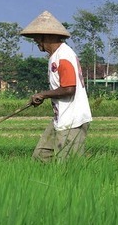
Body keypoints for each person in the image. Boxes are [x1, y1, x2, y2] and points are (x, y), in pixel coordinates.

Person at [20, 10, 92, 162]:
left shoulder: (64, 56)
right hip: (61, 118)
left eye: (38, 38)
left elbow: (69, 89)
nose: (36, 42)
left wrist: (43, 94)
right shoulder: (55, 56)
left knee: (67, 166)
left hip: (73, 120)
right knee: (40, 157)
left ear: (48, 36)